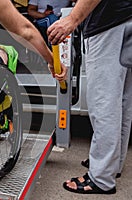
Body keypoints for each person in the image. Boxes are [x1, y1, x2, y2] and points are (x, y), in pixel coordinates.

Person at [47, 0, 132, 194]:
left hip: (108, 24)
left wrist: (72, 19)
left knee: (104, 103)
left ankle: (101, 178)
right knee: (122, 102)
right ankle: (112, 165)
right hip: (126, 16)